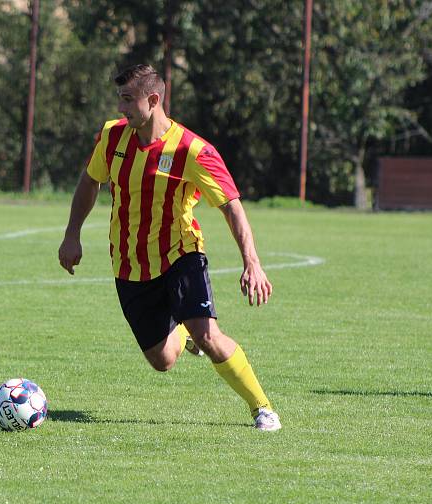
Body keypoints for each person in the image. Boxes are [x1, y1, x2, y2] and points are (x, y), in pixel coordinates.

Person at [58, 64, 281, 431]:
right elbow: (89, 181)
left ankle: (262, 408)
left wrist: (252, 262)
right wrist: (72, 234)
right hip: (129, 263)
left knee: (208, 335)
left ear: (154, 99)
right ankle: (182, 332)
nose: (121, 108)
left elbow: (231, 206)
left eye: (128, 100)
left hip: (182, 254)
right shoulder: (112, 137)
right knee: (162, 360)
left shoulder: (193, 151)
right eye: (119, 99)